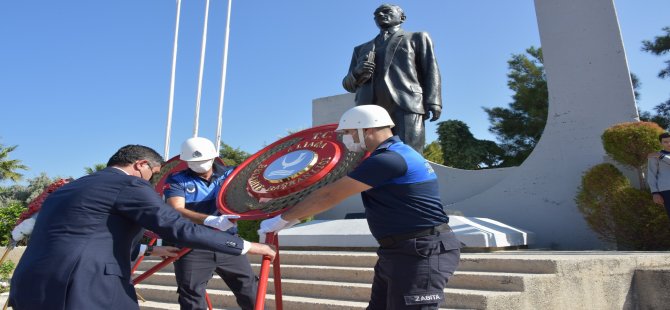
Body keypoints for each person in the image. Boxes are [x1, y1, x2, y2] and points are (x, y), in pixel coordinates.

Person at [9, 145, 275, 310]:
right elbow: (177, 227)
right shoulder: (129, 184)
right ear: (141, 165)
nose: (152, 180)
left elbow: (89, 232)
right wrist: (245, 245)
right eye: (153, 173)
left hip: (31, 283)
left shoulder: (71, 187)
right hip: (84, 286)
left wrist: (147, 250)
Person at [259, 105, 461, 309]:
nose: (345, 138)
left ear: (367, 129)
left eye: (348, 132)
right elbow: (327, 182)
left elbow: (329, 194)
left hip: (421, 250)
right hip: (400, 250)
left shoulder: (388, 160)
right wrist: (280, 198)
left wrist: (283, 219)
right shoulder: (390, 154)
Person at [163, 137, 257, 310]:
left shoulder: (232, 175)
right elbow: (176, 208)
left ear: (214, 156)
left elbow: (252, 195)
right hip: (192, 246)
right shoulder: (177, 179)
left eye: (203, 160)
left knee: (250, 290)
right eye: (194, 161)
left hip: (228, 242)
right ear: (186, 161)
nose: (199, 164)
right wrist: (210, 220)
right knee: (191, 296)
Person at [342, 4, 442, 153]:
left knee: (409, 152)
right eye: (376, 14)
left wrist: (434, 101)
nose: (380, 15)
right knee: (374, 156)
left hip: (406, 103)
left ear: (402, 17)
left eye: (386, 11)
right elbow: (348, 85)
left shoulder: (417, 38)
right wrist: (357, 72)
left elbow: (430, 70)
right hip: (370, 109)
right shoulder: (361, 49)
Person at [647, 132, 670, 220]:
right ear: (660, 143)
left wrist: (662, 156)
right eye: (665, 142)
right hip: (667, 190)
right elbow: (651, 175)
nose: (669, 144)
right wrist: (655, 192)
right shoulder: (654, 157)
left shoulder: (658, 155)